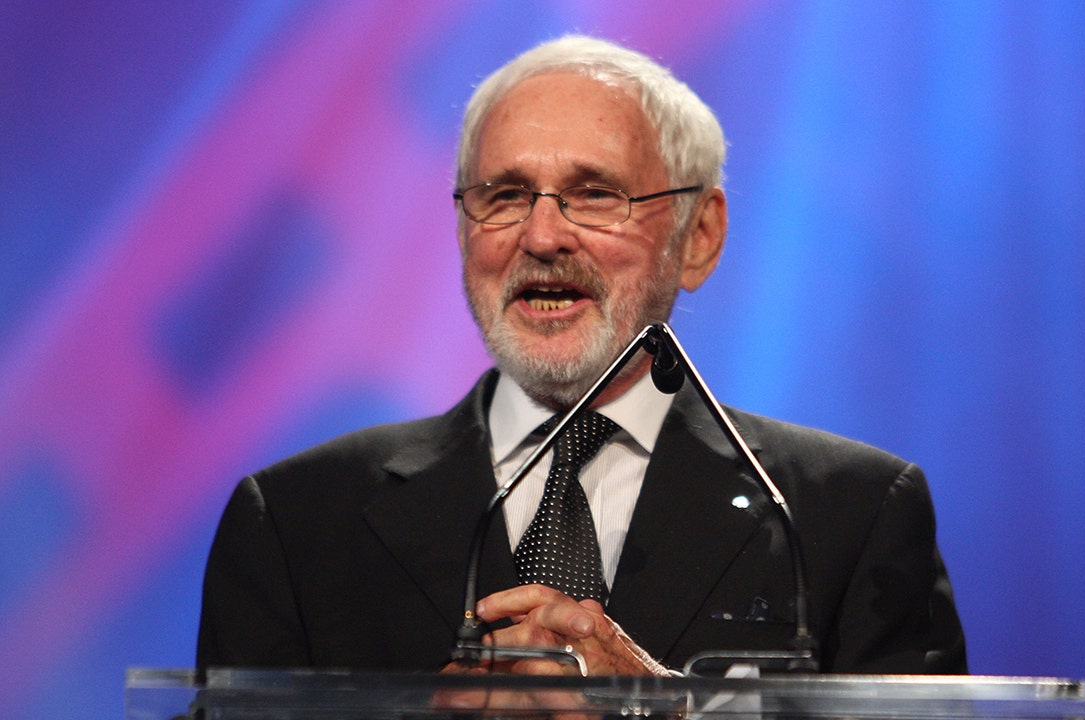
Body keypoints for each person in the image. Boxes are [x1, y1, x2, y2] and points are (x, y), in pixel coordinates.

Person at [196, 34, 966, 676]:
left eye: (596, 194)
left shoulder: (848, 516)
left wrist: (660, 712)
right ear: (463, 229)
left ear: (698, 237)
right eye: (503, 195)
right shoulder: (295, 521)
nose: (541, 236)